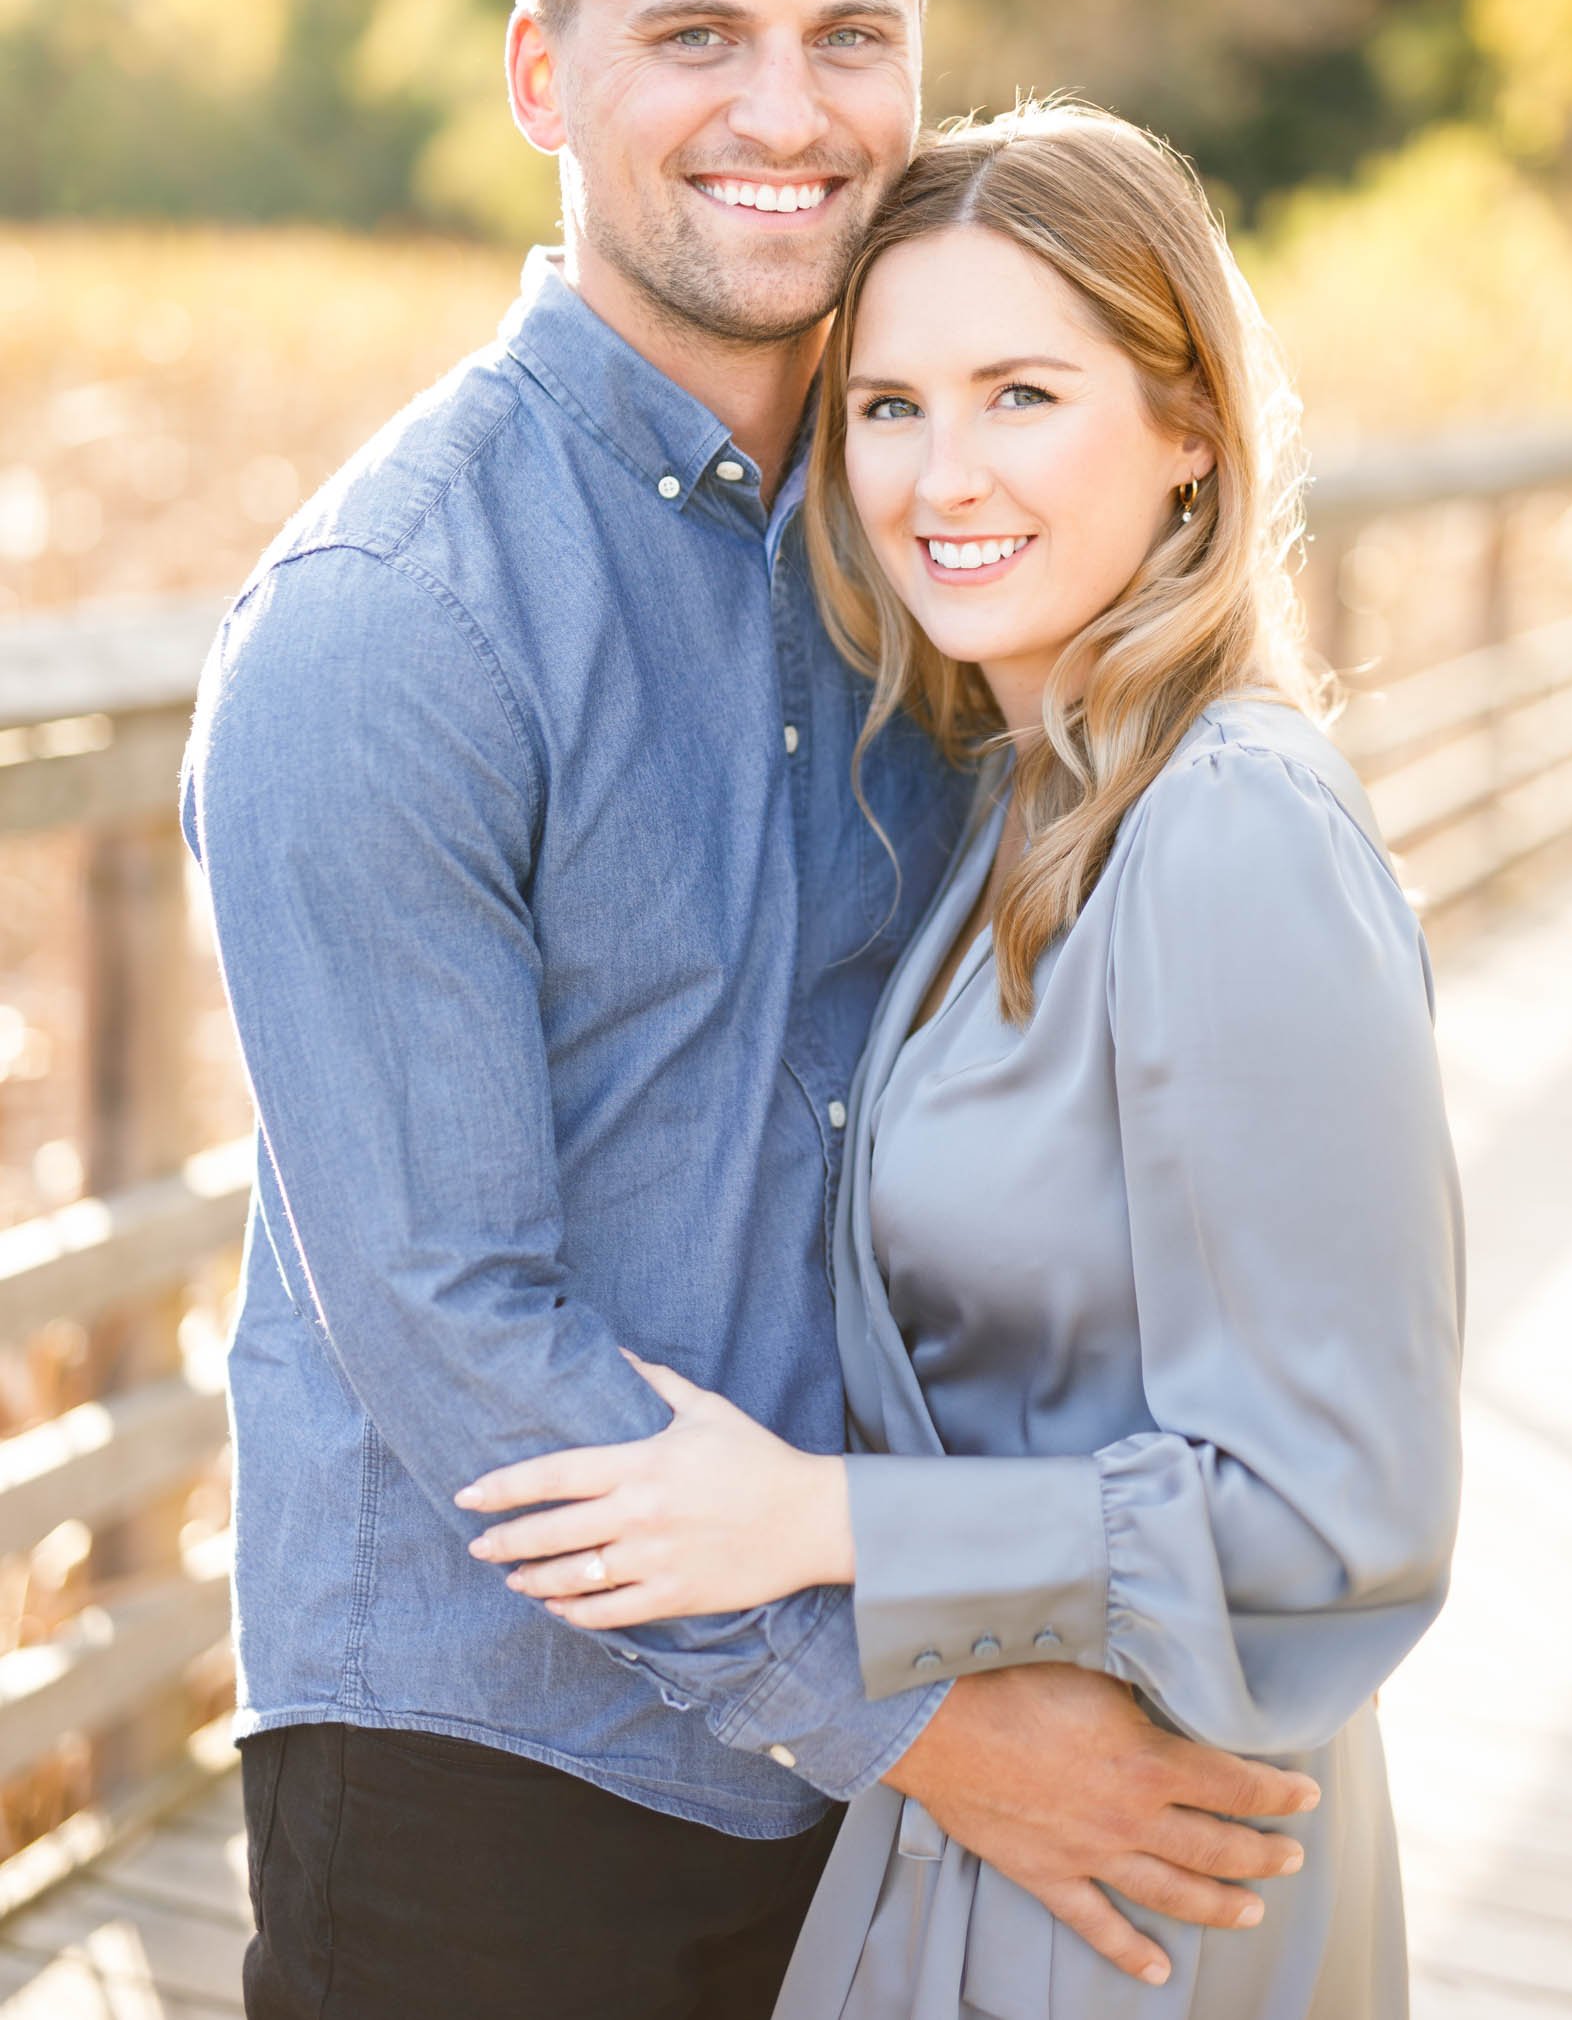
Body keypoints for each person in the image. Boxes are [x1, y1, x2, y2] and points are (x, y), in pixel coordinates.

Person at [184, 0, 1318, 2020]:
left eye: (849, 37)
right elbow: (448, 1318)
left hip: (872, 1766)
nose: (783, 110)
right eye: (695, 35)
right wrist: (921, 1708)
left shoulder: (929, 544)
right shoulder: (391, 618)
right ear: (543, 72)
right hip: (487, 1766)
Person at [459, 104, 1466, 2017]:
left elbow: (1342, 1509)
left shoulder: (1229, 827)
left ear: (1188, 432)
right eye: (889, 405)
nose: (942, 475)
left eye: (1023, 393)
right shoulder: (1020, 807)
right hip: (995, 1823)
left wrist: (813, 1520)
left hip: (1157, 1856)